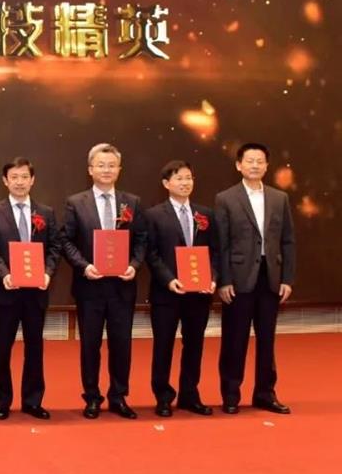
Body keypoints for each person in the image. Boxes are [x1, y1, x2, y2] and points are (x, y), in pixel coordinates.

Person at [61, 143, 148, 420]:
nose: (106, 170)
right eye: (101, 165)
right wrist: (84, 266)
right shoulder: (76, 202)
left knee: (122, 344)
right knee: (90, 345)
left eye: (111, 165)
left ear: (119, 169)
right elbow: (66, 241)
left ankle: (119, 397)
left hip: (123, 285)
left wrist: (134, 265)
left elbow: (142, 239)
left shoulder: (131, 202)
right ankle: (92, 397)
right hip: (90, 286)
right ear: (90, 169)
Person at [216, 143, 296, 415]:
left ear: (266, 165)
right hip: (238, 279)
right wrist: (224, 280)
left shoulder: (279, 198)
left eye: (260, 161)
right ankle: (230, 394)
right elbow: (222, 244)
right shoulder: (226, 198)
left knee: (266, 339)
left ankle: (265, 393)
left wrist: (287, 278)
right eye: (249, 161)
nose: (254, 165)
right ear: (238, 165)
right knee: (234, 339)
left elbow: (288, 241)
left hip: (270, 277)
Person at [0, 157, 60, 421]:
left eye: (24, 177)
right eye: (14, 177)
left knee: (35, 348)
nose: (20, 182)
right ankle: (3, 402)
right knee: (2, 350)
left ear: (32, 180)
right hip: (6, 292)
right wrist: (3, 273)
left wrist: (47, 273)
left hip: (36, 292)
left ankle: (32, 401)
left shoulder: (46, 212)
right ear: (5, 181)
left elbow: (55, 247)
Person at [144, 160, 218, 417]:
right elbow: (151, 253)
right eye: (179, 178)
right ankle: (163, 396)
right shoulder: (153, 215)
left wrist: (213, 278)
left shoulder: (206, 214)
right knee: (163, 346)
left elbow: (216, 251)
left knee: (194, 345)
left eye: (189, 178)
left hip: (199, 293)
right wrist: (168, 279)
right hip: (167, 293)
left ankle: (190, 394)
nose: (185, 183)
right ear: (166, 184)